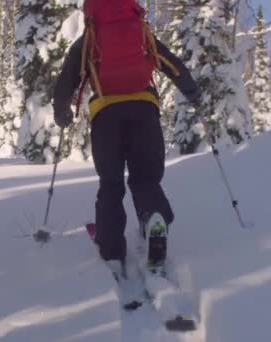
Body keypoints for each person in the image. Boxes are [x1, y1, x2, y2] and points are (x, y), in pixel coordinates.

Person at [52, 0, 201, 275]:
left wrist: (61, 111)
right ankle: (153, 218)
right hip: (144, 109)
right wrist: (191, 92)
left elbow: (66, 80)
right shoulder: (140, 31)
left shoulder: (90, 38)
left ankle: (110, 247)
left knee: (110, 182)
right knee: (145, 177)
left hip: (106, 114)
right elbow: (168, 61)